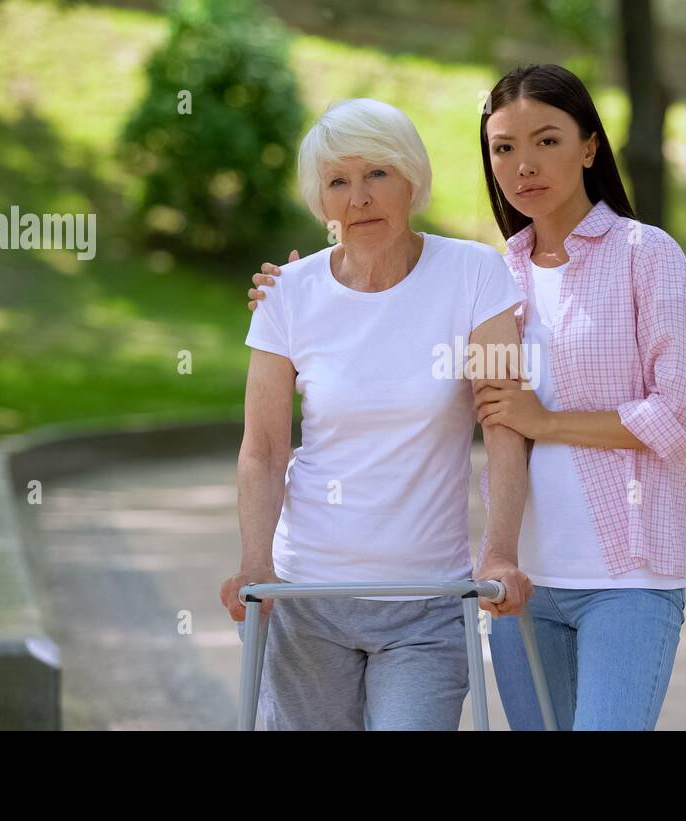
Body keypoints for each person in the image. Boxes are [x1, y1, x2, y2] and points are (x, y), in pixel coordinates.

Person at [220, 98, 534, 730]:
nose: (359, 198)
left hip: (429, 602)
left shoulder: (476, 274)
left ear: (411, 179)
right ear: (320, 201)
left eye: (377, 175)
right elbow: (264, 448)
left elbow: (504, 424)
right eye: (338, 182)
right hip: (307, 597)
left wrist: (499, 553)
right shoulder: (286, 295)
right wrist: (256, 562)